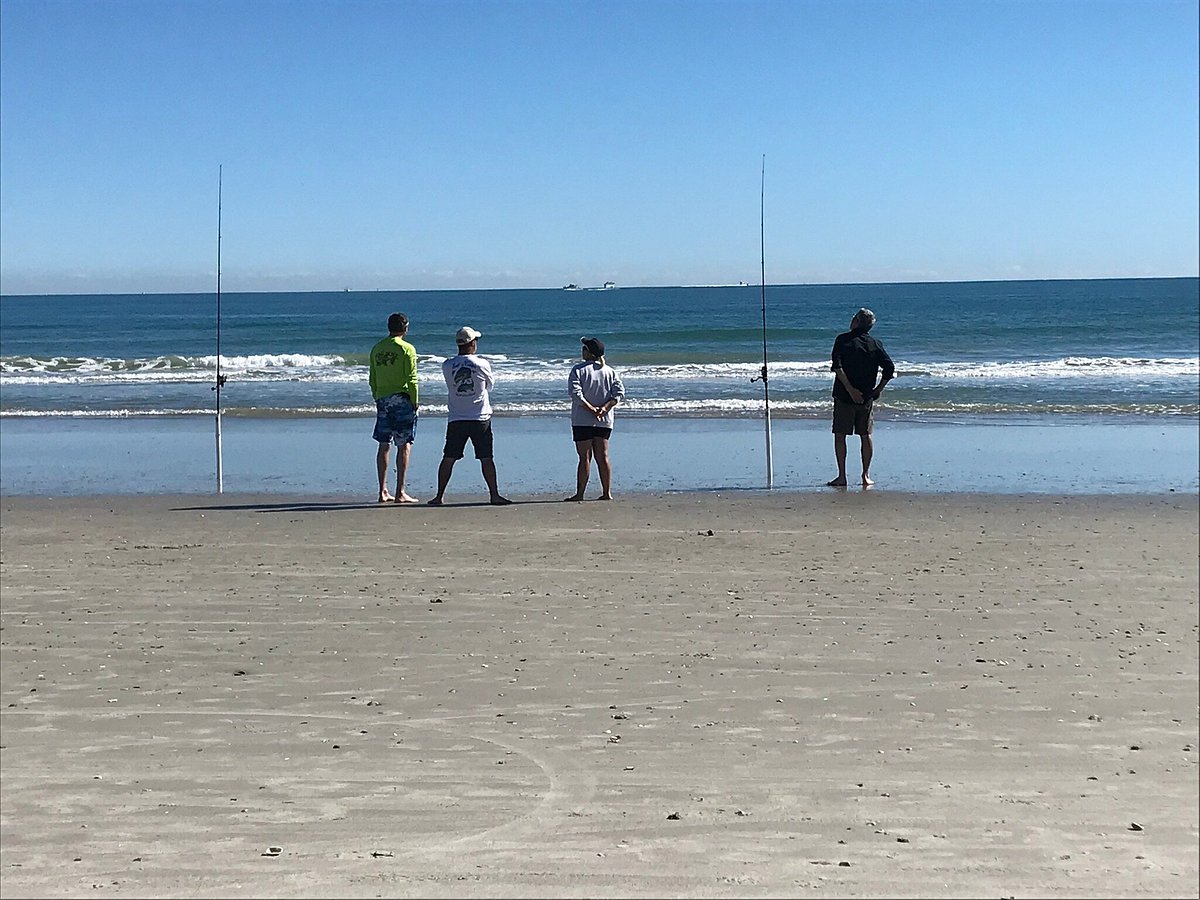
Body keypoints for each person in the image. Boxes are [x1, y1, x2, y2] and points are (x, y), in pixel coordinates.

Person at [427, 326, 512, 506]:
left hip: (456, 417)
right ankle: (494, 495)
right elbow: (490, 386)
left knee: (449, 457)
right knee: (486, 457)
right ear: (472, 343)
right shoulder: (481, 363)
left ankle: (439, 496)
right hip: (479, 417)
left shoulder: (447, 364)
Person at [827, 307, 895, 487]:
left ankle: (842, 476)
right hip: (866, 396)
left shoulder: (842, 340)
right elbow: (889, 368)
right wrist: (878, 388)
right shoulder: (874, 343)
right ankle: (865, 475)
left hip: (844, 395)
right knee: (865, 434)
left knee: (840, 435)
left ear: (856, 322)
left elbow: (837, 366)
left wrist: (850, 389)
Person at [565, 336, 626, 501]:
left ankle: (580, 494)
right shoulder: (610, 371)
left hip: (583, 419)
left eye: (584, 349)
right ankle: (607, 492)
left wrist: (591, 409)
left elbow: (576, 394)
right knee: (603, 455)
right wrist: (605, 408)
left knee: (584, 457)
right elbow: (619, 394)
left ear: (588, 352)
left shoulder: (578, 370)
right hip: (604, 420)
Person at [368, 312, 420, 503]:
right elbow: (412, 378)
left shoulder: (377, 348)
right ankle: (400, 492)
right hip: (402, 398)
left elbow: (372, 377)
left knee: (384, 444)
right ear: (405, 327)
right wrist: (415, 400)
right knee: (404, 444)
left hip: (383, 398)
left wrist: (377, 396)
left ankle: (382, 490)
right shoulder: (407, 348)